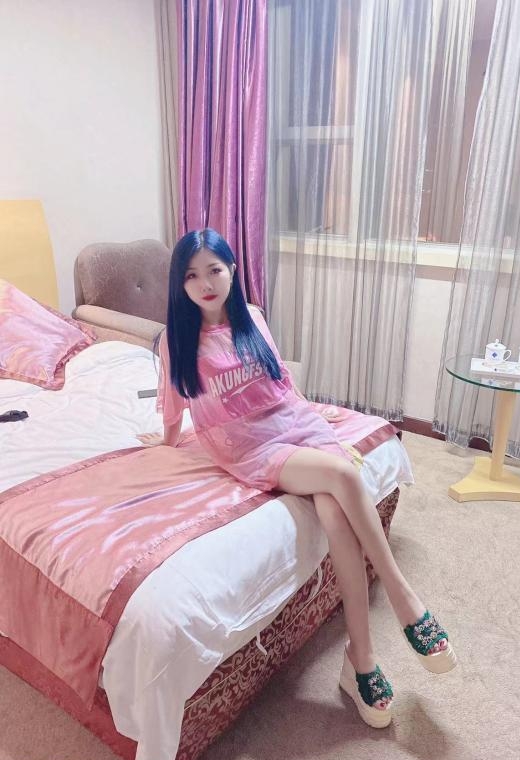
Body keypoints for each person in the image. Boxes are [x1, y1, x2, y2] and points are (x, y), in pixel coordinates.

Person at [138, 228, 456, 728]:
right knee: (342, 474)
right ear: (180, 284)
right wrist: (164, 441)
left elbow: (282, 383)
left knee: (336, 516)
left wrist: (314, 417)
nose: (205, 283)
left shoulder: (253, 320)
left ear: (232, 270)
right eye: (192, 275)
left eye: (214, 270)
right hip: (248, 446)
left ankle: (361, 659)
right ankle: (402, 596)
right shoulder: (177, 343)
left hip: (292, 421)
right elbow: (174, 409)